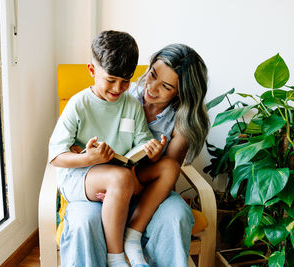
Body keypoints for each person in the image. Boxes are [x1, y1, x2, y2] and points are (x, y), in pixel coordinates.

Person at [62, 43, 210, 267]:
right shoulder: (120, 93)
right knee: (83, 220)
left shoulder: (181, 123)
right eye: (152, 75)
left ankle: (132, 236)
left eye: (166, 86)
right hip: (102, 183)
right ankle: (116, 256)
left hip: (147, 191)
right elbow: (75, 140)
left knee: (176, 214)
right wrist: (87, 158)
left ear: (181, 92)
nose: (152, 88)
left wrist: (139, 176)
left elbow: (166, 176)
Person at [49, 30, 169, 267]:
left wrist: (151, 150)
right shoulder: (78, 105)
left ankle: (124, 205)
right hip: (80, 177)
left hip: (119, 178)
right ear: (92, 71)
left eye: (126, 81)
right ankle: (115, 257)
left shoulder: (131, 105)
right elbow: (55, 157)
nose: (118, 88)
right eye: (111, 80)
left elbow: (140, 141)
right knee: (121, 178)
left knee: (163, 168)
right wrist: (88, 158)